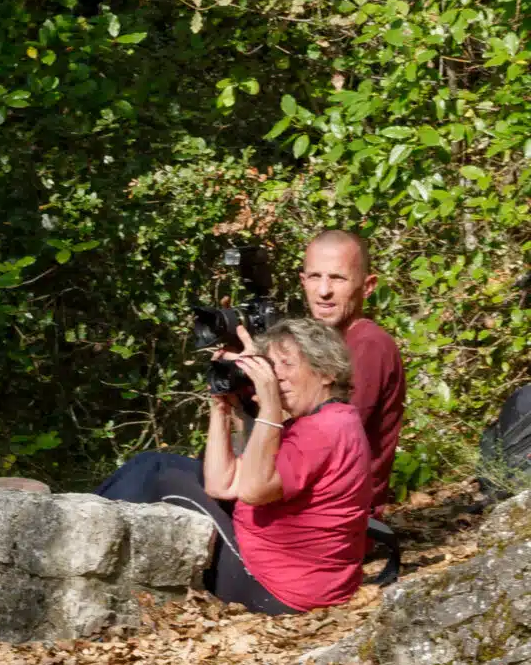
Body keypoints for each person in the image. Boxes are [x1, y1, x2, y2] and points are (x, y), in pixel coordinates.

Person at [98, 317, 373, 613]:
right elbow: (222, 484)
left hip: (277, 590)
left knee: (155, 471)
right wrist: (221, 407)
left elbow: (254, 490)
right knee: (159, 464)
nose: (275, 377)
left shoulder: (321, 431)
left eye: (287, 365)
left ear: (326, 373)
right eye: (271, 366)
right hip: (301, 584)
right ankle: (80, 517)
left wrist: (268, 407)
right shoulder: (332, 420)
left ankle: (80, 529)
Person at [298, 227, 405, 508]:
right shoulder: (318, 344)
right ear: (303, 281)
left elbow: (331, 441)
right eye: (315, 277)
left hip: (338, 518)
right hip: (302, 502)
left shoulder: (369, 345)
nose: (323, 291)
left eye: (337, 278)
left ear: (368, 286)